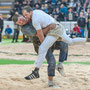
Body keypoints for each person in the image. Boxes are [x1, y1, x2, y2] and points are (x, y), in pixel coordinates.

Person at [21, 6, 86, 81]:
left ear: (31, 12)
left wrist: (44, 44)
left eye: (26, 14)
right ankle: (85, 40)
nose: (25, 16)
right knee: (70, 41)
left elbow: (40, 34)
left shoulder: (35, 20)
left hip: (54, 29)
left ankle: (36, 71)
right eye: (24, 15)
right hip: (58, 26)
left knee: (42, 48)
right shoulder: (37, 11)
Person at [12, 14, 68, 87]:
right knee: (52, 61)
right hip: (40, 45)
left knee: (64, 44)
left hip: (49, 40)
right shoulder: (24, 28)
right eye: (19, 23)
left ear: (22, 16)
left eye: (20, 20)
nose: (21, 22)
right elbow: (40, 33)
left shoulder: (33, 17)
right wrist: (49, 27)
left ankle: (60, 65)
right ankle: (50, 83)